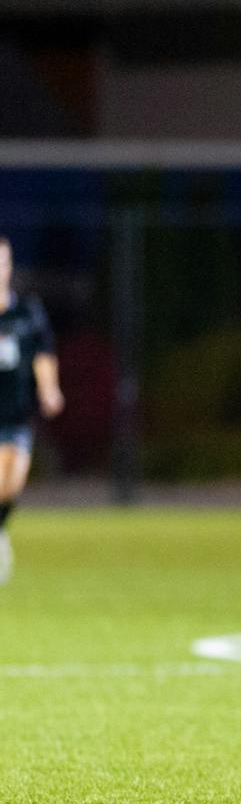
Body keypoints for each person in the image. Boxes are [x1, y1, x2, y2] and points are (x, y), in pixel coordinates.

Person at [0, 236, 64, 584]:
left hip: (18, 412)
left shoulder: (26, 312)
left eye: (3, 263)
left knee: (12, 483)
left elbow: (43, 353)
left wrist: (50, 388)